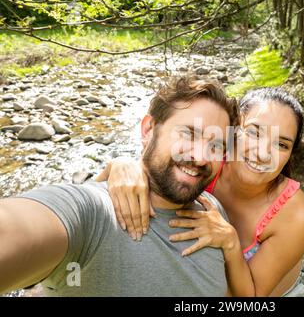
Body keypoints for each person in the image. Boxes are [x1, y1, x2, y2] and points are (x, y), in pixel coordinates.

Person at [0, 76, 239, 296]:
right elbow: (19, 228)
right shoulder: (93, 211)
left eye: (216, 146)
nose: (200, 158)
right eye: (189, 134)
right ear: (148, 129)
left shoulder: (212, 211)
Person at [100, 87, 304, 297]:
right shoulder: (207, 161)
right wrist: (122, 165)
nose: (262, 154)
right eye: (253, 132)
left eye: (281, 144)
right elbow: (158, 160)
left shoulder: (295, 215)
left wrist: (230, 241)